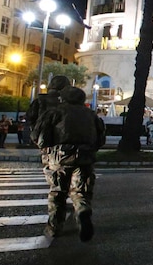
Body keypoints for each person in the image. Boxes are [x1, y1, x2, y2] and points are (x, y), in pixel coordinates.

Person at [30, 87, 106, 241]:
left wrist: (45, 148)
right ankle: (82, 210)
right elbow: (100, 138)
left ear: (62, 98)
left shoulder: (54, 112)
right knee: (81, 192)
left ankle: (54, 227)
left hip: (59, 158)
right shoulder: (91, 114)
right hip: (85, 157)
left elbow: (38, 136)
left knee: (58, 192)